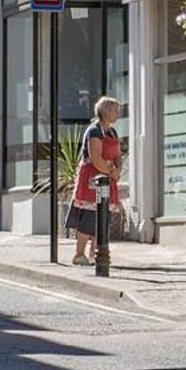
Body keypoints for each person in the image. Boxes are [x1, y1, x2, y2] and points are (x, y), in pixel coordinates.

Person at [66, 96, 122, 267]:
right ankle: (79, 254)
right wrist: (112, 172)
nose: (117, 114)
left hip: (108, 177)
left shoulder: (112, 132)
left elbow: (118, 155)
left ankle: (97, 254)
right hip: (93, 178)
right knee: (89, 217)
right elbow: (95, 158)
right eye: (114, 110)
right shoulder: (94, 131)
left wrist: (117, 170)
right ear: (106, 111)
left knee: (104, 217)